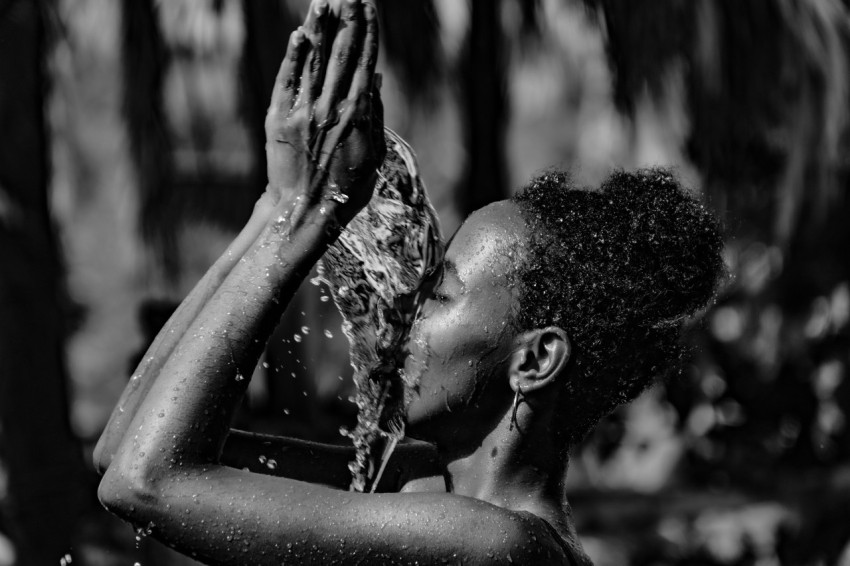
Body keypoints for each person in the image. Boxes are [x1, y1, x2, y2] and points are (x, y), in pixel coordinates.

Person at [94, 1, 725, 564]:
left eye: (441, 294)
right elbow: (123, 449)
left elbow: (146, 483)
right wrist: (275, 205)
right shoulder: (415, 483)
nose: (403, 308)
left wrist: (305, 215)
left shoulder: (506, 548)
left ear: (535, 359)